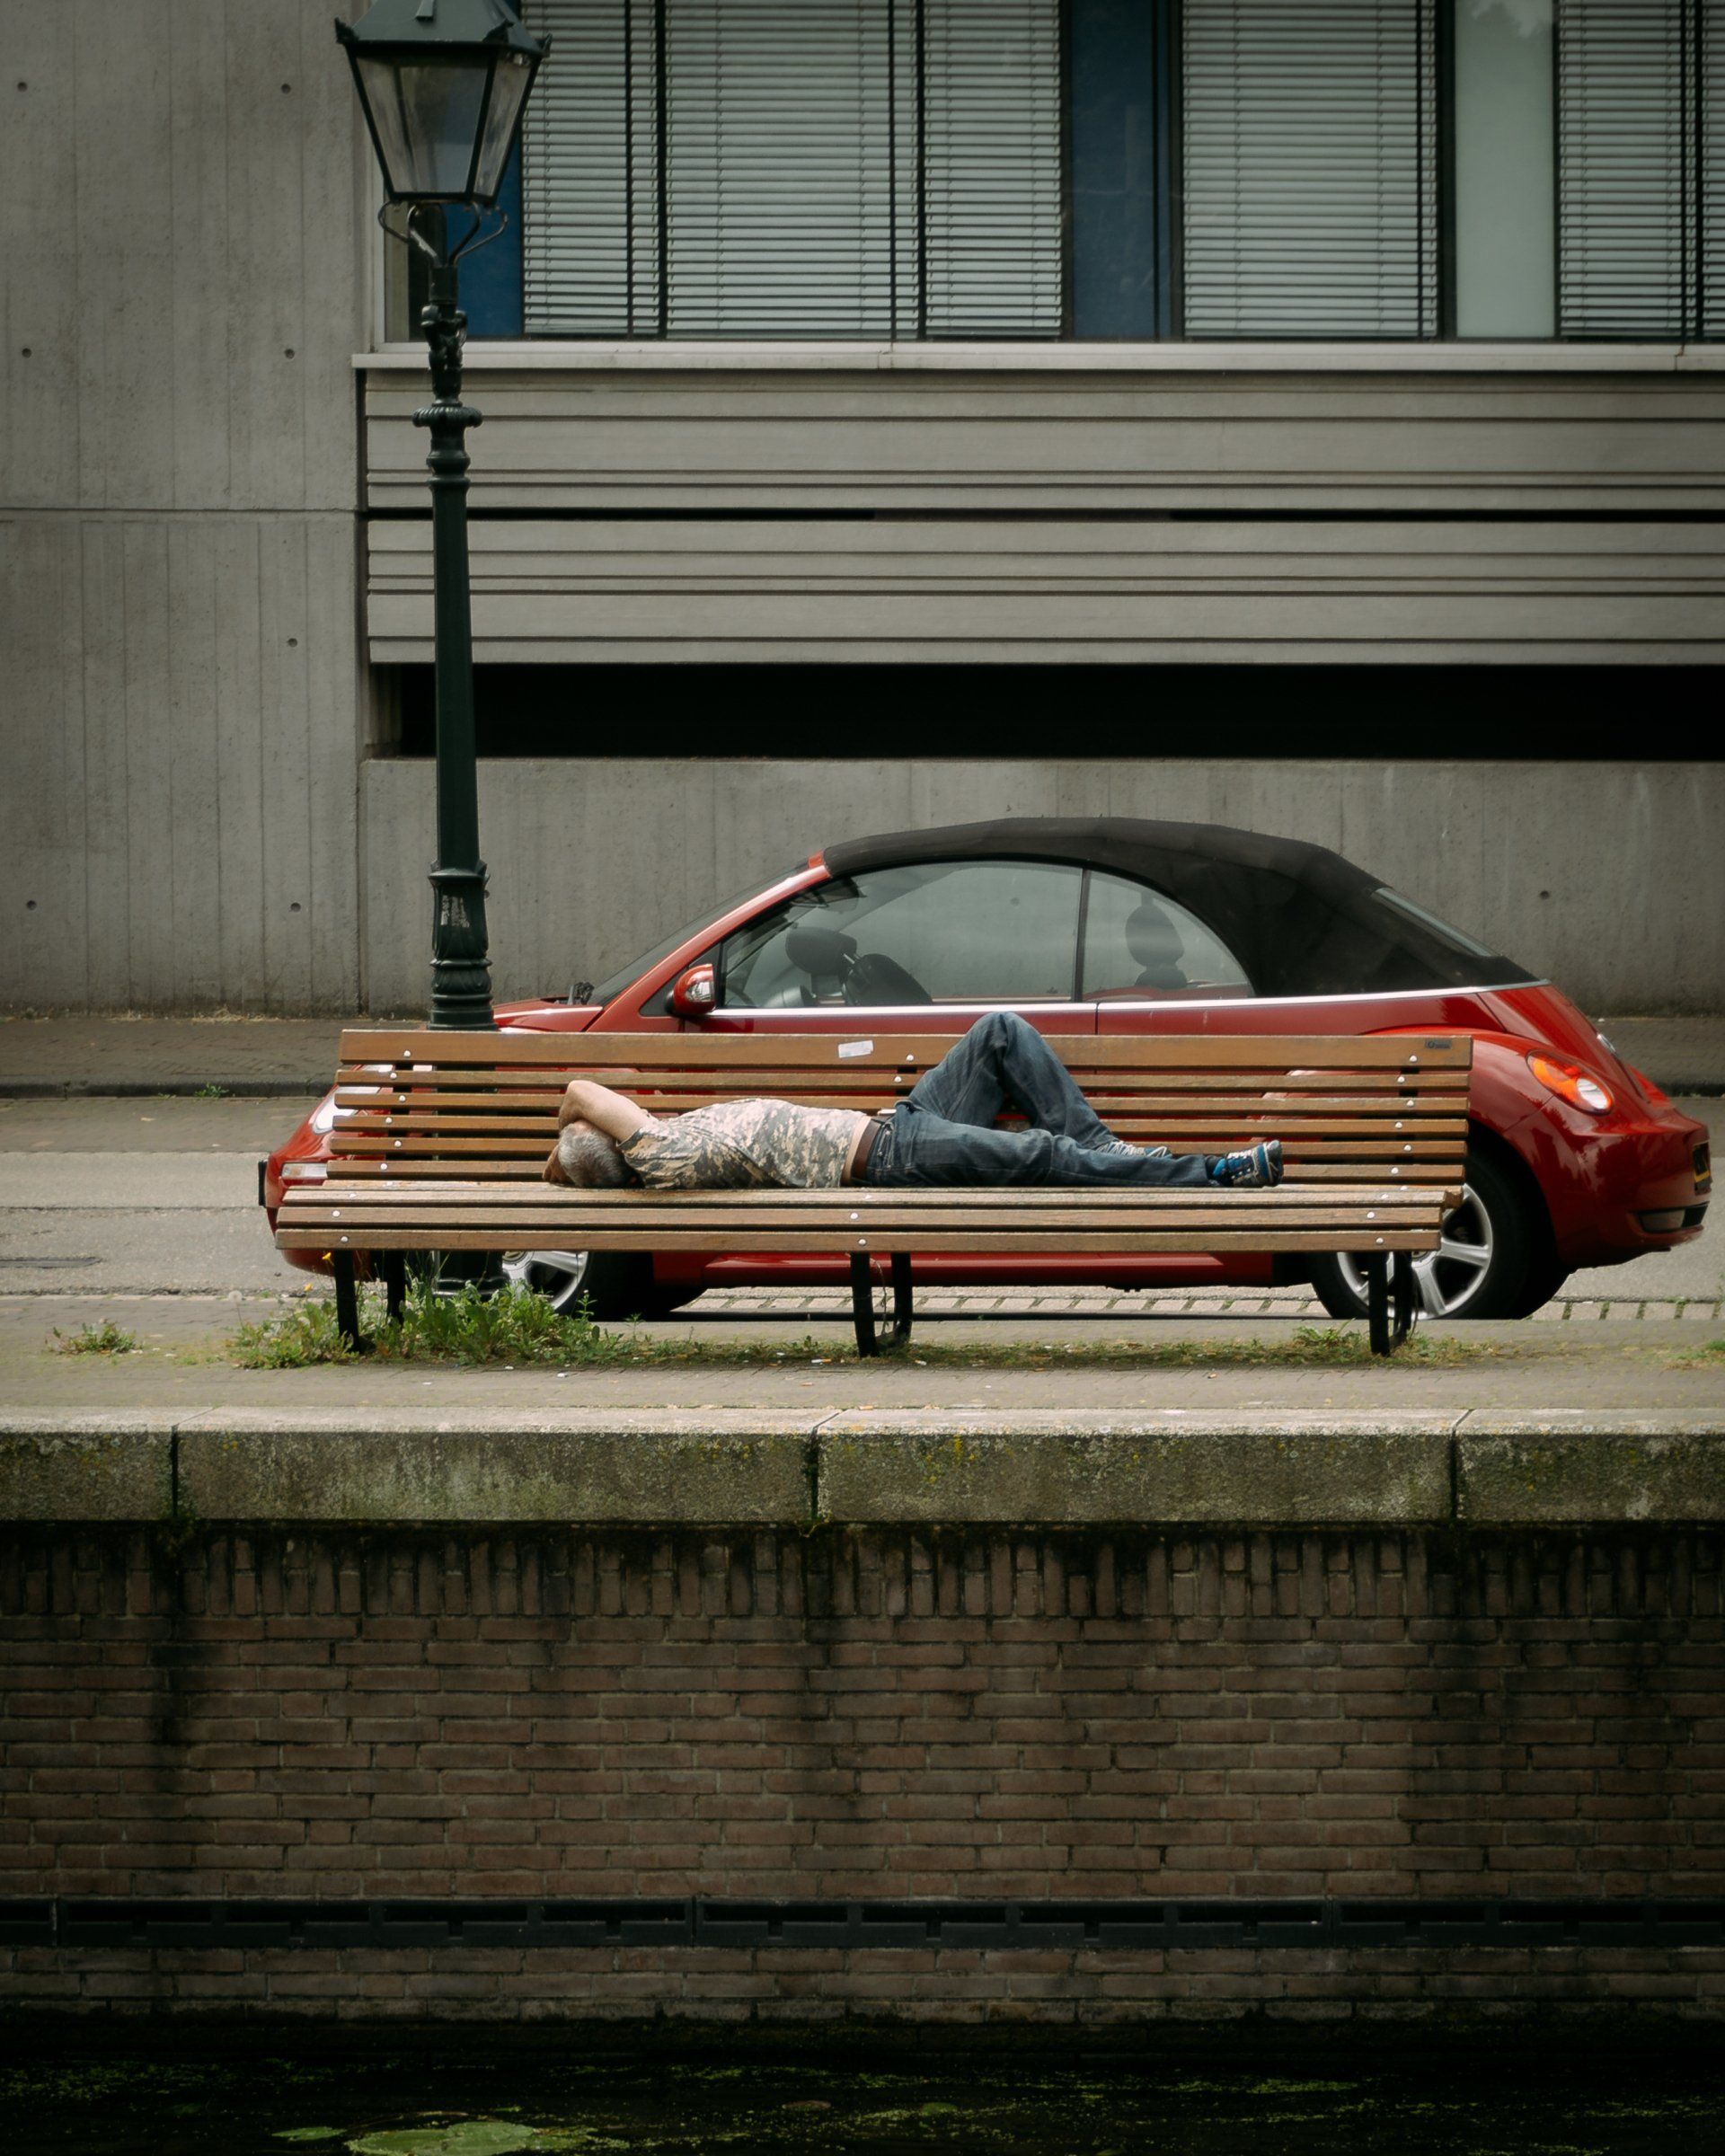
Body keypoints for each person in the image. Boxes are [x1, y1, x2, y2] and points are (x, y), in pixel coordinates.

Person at [545, 1011, 1282, 1195]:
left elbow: (587, 1128)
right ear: (619, 1142)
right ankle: (1212, 1173)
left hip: (898, 1128)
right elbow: (580, 1090)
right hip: (890, 1160)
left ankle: (1104, 1148)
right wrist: (562, 1144)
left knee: (999, 1033)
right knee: (1041, 1156)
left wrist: (566, 1163)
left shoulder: (658, 1147)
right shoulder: (662, 1154)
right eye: (611, 1127)